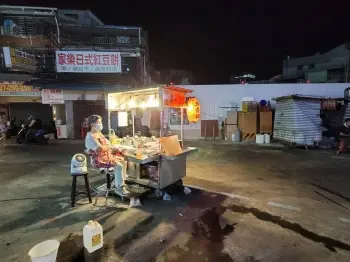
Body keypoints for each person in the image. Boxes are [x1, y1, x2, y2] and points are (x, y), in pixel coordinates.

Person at [85, 115, 129, 196]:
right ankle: (120, 187)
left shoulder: (99, 133)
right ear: (92, 124)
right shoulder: (90, 136)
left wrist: (114, 146)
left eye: (101, 122)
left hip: (106, 155)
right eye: (99, 122)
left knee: (123, 160)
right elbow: (100, 149)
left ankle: (119, 181)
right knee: (119, 166)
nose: (101, 124)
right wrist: (109, 147)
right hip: (99, 159)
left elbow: (107, 143)